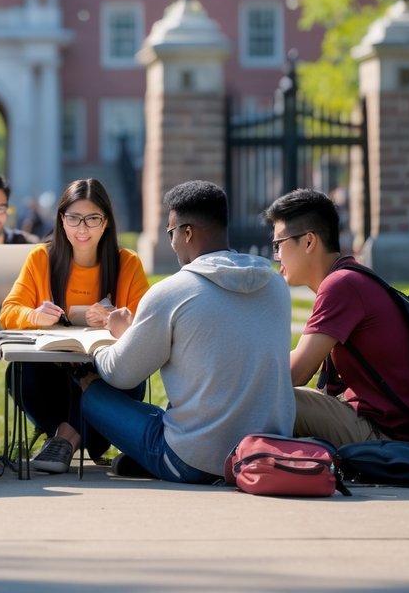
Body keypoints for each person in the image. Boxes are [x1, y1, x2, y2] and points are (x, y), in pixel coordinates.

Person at [81, 180, 295, 484]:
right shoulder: (275, 286)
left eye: (171, 233)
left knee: (92, 393)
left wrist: (105, 344)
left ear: (187, 232)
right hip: (263, 453)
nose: (171, 242)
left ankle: (152, 458)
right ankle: (146, 458)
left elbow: (121, 374)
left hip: (195, 461)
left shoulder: (173, 291)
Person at [0, 178, 150, 474]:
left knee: (118, 375)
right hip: (52, 378)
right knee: (19, 372)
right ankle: (74, 434)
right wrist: (34, 316)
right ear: (61, 220)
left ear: (106, 222)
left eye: (93, 219)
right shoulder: (41, 258)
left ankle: (64, 438)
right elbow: (9, 311)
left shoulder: (126, 263)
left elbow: (147, 324)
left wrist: (112, 321)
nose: (82, 228)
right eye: (74, 218)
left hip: (108, 376)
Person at [264, 188, 409, 446]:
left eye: (278, 245)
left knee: (268, 398)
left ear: (308, 242)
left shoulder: (341, 285)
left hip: (386, 434)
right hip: (384, 424)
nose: (276, 257)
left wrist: (238, 373)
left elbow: (297, 372)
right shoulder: (347, 276)